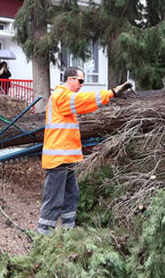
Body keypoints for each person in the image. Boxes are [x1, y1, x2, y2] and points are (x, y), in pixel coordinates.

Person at [37, 67, 132, 235]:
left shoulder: (65, 98)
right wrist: (111, 93)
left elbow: (85, 105)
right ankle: (43, 239)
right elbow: (84, 101)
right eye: (80, 81)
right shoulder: (62, 96)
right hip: (58, 159)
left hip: (66, 159)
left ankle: (68, 234)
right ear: (70, 79)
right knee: (53, 200)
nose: (82, 85)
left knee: (72, 196)